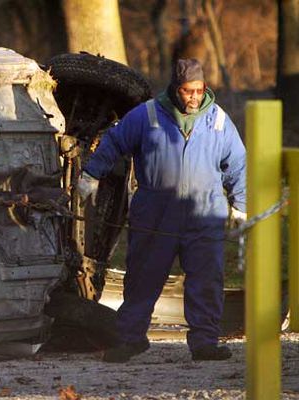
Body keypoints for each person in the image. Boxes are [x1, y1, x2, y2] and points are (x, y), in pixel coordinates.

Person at [77, 59, 247, 363]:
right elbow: (115, 142)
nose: (193, 97)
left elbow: (237, 163)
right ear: (175, 89)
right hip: (155, 211)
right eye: (187, 91)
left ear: (204, 88)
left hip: (204, 212)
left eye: (198, 90)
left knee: (207, 279)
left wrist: (241, 205)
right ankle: (131, 339)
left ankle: (205, 343)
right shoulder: (147, 115)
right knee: (143, 275)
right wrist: (92, 174)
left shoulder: (218, 121)